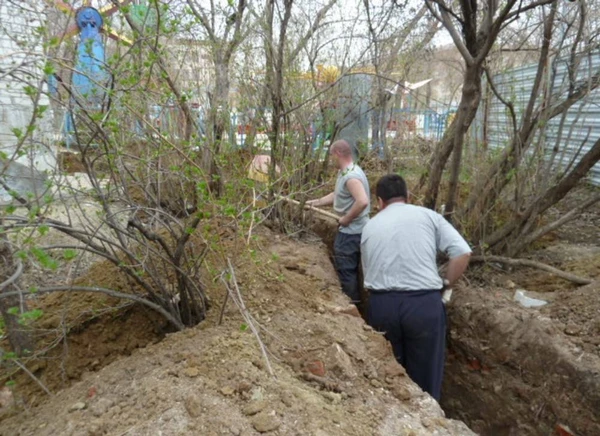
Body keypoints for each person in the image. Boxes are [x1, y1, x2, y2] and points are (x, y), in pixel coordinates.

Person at [360, 174, 471, 401]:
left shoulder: (370, 226)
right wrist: (447, 285)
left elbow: (367, 271)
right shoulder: (428, 216)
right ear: (408, 197)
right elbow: (462, 253)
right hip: (423, 305)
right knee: (425, 381)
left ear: (379, 201)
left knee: (388, 375)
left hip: (382, 306)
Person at [307, 139, 370, 307]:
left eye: (331, 155)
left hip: (351, 233)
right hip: (357, 231)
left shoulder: (351, 176)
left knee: (346, 272)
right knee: (354, 271)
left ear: (338, 154)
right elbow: (338, 195)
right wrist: (315, 202)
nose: (330, 159)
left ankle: (352, 306)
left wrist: (346, 219)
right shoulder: (348, 172)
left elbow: (362, 201)